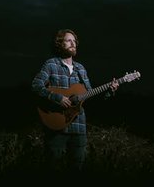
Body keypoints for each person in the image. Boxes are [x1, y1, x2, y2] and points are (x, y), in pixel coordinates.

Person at [31, 28, 118, 168]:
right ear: (60, 44)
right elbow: (36, 85)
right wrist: (57, 98)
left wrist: (109, 91)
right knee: (52, 169)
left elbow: (90, 95)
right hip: (57, 126)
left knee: (77, 172)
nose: (73, 44)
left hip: (79, 128)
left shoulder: (81, 69)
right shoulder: (51, 64)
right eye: (68, 41)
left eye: (74, 41)